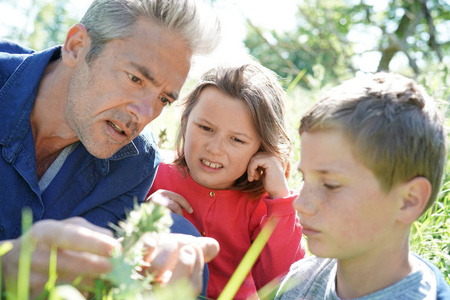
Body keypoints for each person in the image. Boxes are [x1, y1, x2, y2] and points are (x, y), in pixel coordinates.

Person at [0, 0, 222, 297]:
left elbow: (85, 278)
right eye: (135, 79)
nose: (144, 115)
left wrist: (141, 274)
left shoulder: (134, 162)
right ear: (76, 47)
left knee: (178, 235)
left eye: (163, 100)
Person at [274, 72, 450, 299]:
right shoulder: (300, 281)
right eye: (306, 179)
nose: (301, 203)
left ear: (409, 200)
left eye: (330, 185)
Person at [147, 61, 306, 299]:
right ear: (185, 122)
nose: (215, 148)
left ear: (261, 149)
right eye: (206, 128)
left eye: (237, 140)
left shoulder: (263, 204)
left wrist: (280, 200)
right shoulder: (153, 175)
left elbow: (283, 287)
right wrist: (146, 215)